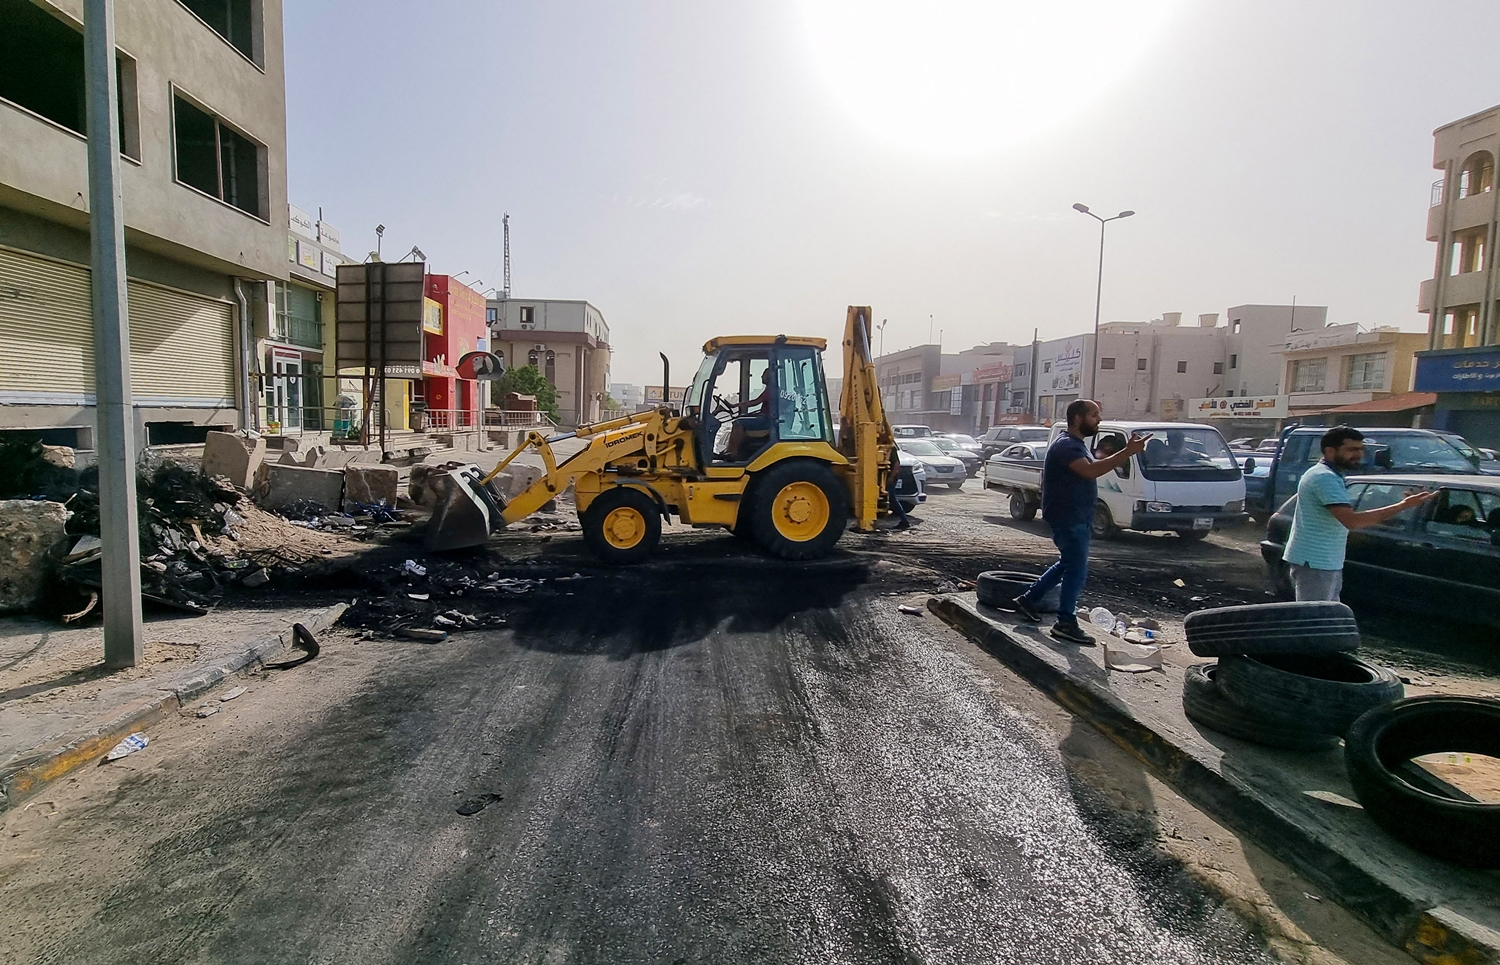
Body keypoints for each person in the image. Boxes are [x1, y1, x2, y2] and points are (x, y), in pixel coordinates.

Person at [1012, 400, 1150, 644]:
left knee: (1068, 564)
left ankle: (1028, 600)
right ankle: (1065, 621)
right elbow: (1090, 471)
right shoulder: (1067, 446)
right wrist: (1127, 452)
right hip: (1067, 516)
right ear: (1077, 418)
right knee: (1076, 568)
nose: (1099, 419)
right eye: (1094, 415)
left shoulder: (1077, 445)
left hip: (1077, 515)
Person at [1282, 425, 1437, 601]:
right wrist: (1403, 506)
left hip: (1323, 561)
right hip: (1316, 562)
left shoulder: (1331, 475)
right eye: (1352, 449)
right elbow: (1352, 521)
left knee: (1327, 617)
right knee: (1316, 620)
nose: (1359, 454)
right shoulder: (1324, 477)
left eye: (1361, 449)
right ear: (1330, 451)